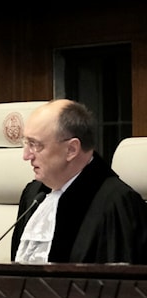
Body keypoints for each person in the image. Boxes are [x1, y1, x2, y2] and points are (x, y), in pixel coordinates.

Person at [11, 99, 147, 264]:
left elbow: (119, 286)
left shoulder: (117, 204)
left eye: (35, 145)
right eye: (26, 143)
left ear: (71, 149)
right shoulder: (33, 195)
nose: (26, 156)